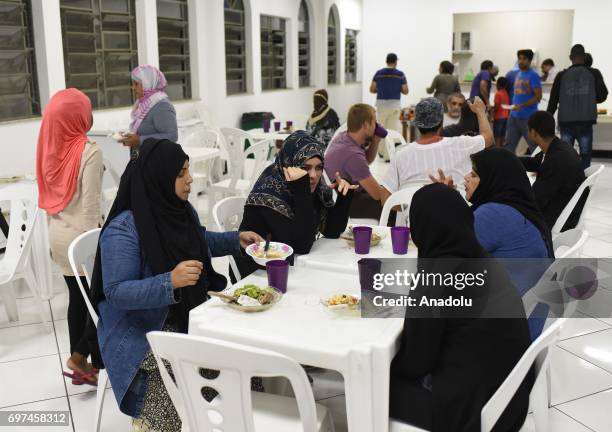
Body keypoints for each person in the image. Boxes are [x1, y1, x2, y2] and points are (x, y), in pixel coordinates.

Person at [90, 139, 262, 431]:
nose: (190, 179)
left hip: (179, 315)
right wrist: (168, 281)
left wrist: (235, 240)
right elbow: (116, 292)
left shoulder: (178, 210)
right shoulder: (124, 229)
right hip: (138, 332)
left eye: (188, 171)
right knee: (175, 406)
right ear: (159, 178)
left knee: (241, 364)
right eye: (181, 173)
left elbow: (198, 238)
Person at [389, 183, 533, 431]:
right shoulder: (481, 258)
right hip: (510, 400)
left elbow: (416, 362)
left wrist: (387, 363)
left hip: (470, 411)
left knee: (371, 381)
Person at [36, 88, 103, 385]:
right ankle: (80, 357)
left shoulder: (50, 146)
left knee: (77, 299)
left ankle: (80, 362)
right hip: (81, 238)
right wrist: (97, 247)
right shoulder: (89, 151)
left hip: (57, 237)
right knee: (98, 300)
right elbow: (90, 210)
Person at [236, 131, 356, 278]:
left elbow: (332, 231)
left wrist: (344, 195)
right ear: (289, 164)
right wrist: (301, 190)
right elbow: (301, 246)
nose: (313, 175)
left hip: (290, 268)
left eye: (318, 167)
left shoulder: (315, 190)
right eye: (305, 168)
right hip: (257, 275)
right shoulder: (269, 193)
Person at [431, 147, 553, 259]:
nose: (466, 177)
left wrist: (442, 202)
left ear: (491, 181)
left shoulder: (492, 214)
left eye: (474, 175)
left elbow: (442, 251)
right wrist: (451, 200)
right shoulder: (518, 206)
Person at [380, 96, 493, 201]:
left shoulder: (401, 155)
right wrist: (480, 111)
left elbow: (385, 198)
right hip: (456, 217)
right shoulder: (461, 144)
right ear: (441, 122)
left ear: (417, 125)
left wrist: (410, 206)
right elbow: (488, 138)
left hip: (415, 220)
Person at [520, 111, 587, 231]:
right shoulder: (557, 146)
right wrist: (508, 159)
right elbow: (535, 162)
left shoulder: (555, 160)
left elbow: (535, 201)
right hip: (566, 204)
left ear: (534, 132)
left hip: (561, 216)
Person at [547, 44, 608, 169]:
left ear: (570, 57)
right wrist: (589, 98)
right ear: (584, 57)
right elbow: (603, 95)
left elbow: (553, 101)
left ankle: (566, 182)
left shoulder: (561, 76)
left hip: (566, 121)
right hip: (586, 121)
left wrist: (548, 119)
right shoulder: (594, 73)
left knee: (565, 155)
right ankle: (584, 183)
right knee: (585, 154)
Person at [325, 103, 387, 219]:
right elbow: (377, 195)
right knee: (390, 205)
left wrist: (376, 141)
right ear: (365, 125)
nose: (376, 126)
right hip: (347, 202)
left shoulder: (344, 137)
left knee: (386, 192)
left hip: (342, 194)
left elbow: (367, 160)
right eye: (374, 122)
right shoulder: (353, 155)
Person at [119, 65, 178, 160]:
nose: (133, 88)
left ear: (147, 83)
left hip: (156, 162)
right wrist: (129, 135)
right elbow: (145, 129)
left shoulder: (161, 105)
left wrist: (139, 140)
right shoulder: (145, 103)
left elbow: (172, 136)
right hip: (142, 160)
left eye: (136, 84)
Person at [370, 53, 409, 160]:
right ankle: (388, 156)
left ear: (386, 61)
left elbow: (372, 89)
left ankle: (381, 152)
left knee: (381, 128)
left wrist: (382, 89)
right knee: (391, 129)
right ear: (396, 62)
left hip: (381, 105)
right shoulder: (400, 74)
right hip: (394, 106)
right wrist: (397, 89)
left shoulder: (378, 74)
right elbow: (406, 90)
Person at [505, 49, 542, 155]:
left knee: (534, 146)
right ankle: (506, 169)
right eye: (520, 58)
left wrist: (521, 105)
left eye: (524, 59)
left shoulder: (533, 75)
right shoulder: (518, 74)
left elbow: (538, 97)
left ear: (529, 61)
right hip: (514, 116)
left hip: (528, 118)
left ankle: (539, 169)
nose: (521, 61)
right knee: (509, 145)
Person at [493, 76, 511, 147]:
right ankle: (502, 150)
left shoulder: (498, 93)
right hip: (506, 116)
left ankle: (497, 152)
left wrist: (491, 110)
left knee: (497, 136)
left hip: (498, 117)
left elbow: (497, 106)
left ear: (498, 84)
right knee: (502, 136)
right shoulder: (506, 93)